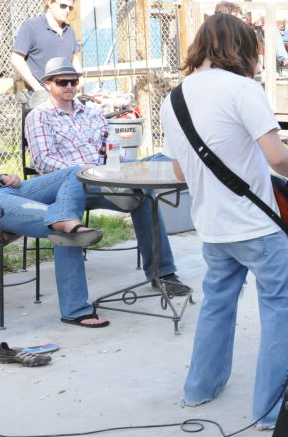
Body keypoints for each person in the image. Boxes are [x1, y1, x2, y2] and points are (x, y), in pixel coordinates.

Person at [161, 13, 288, 430]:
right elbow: (277, 156)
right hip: (256, 227)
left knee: (217, 305)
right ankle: (272, 411)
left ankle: (199, 389)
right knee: (283, 308)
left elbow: (179, 171)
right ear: (242, 48)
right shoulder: (243, 89)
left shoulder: (173, 99)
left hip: (211, 225)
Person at [25, 57, 191, 298]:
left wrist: (112, 153)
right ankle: (161, 269)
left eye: (73, 81)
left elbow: (116, 148)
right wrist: (80, 169)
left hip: (107, 176)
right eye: (62, 82)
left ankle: (162, 272)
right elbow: (43, 161)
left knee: (161, 165)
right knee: (144, 191)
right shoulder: (39, 116)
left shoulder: (92, 111)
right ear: (47, 84)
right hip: (71, 185)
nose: (69, 86)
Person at [0, 71, 109, 327]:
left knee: (74, 173)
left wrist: (3, 176)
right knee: (63, 228)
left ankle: (64, 217)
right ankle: (76, 309)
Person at [11, 0, 82, 94]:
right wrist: (38, 88)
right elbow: (16, 59)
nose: (67, 10)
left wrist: (80, 81)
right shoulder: (31, 27)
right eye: (63, 6)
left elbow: (73, 58)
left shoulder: (69, 30)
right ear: (50, 3)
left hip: (66, 94)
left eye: (70, 8)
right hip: (42, 95)